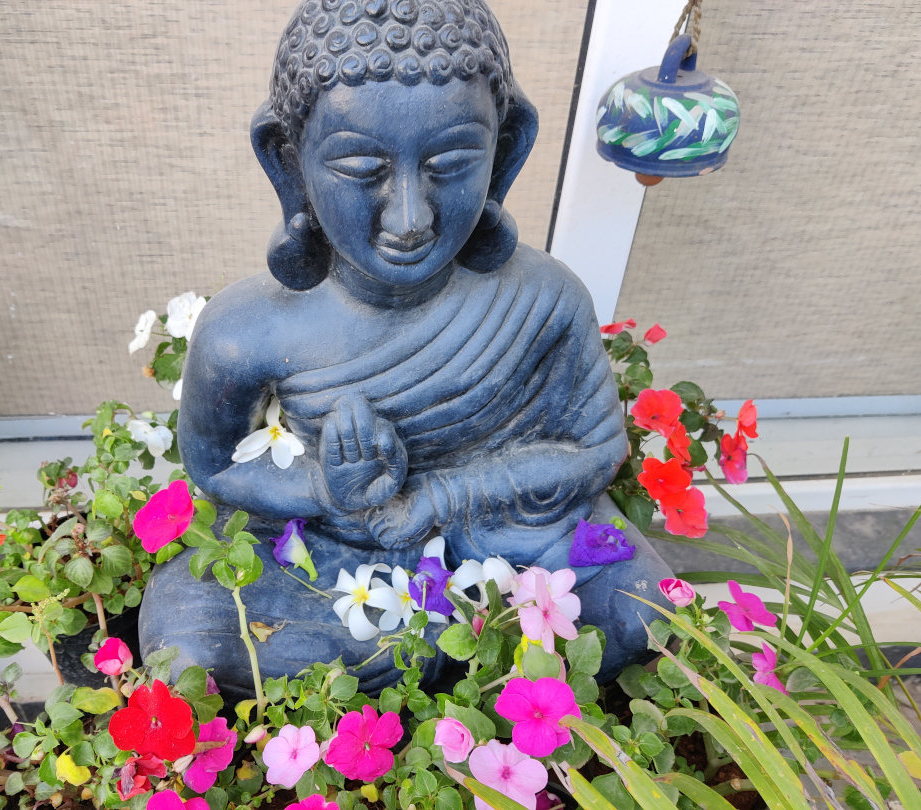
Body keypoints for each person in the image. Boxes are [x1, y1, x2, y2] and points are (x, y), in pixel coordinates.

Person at [139, 0, 673, 701]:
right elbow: (213, 468)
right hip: (340, 558)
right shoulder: (249, 329)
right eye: (362, 167)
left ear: (505, 147)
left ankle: (469, 673)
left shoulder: (546, 297)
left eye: (452, 164)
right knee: (190, 638)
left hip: (514, 541)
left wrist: (439, 498)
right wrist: (321, 490)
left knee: (644, 614)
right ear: (288, 159)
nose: (411, 218)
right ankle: (475, 681)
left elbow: (597, 454)